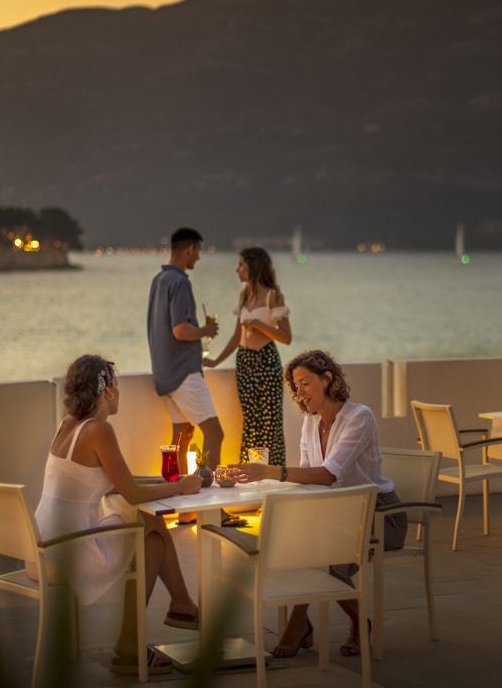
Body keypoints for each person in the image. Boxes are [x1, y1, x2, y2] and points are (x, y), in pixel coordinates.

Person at [227, 349, 407, 659]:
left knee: (317, 552)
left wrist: (273, 472)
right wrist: (272, 493)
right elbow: (309, 479)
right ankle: (309, 621)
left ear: (328, 379)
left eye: (305, 383)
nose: (299, 392)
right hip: (334, 510)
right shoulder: (311, 423)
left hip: (378, 514)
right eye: (295, 385)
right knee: (295, 539)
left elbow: (327, 475)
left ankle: (322, 622)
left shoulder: (359, 417)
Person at [31, 355, 203, 676]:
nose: (119, 391)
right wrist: (182, 488)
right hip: (73, 549)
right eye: (117, 385)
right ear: (107, 390)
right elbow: (131, 494)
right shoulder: (98, 430)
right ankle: (181, 604)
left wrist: (173, 483)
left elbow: (117, 481)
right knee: (149, 518)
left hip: (42, 545)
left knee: (153, 545)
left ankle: (134, 642)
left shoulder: (68, 426)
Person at [146, 227, 243, 526]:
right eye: (198, 251)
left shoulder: (158, 280)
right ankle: (211, 508)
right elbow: (180, 330)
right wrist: (206, 332)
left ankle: (184, 508)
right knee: (215, 434)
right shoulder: (179, 282)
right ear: (189, 249)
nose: (199, 258)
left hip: (163, 373)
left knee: (181, 438)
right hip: (184, 373)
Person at [205, 247, 292, 467]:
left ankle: (273, 474)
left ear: (253, 266)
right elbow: (237, 336)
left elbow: (286, 337)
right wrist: (216, 361)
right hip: (244, 361)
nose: (237, 270)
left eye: (241, 264)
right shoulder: (245, 295)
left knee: (270, 423)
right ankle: (250, 473)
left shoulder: (274, 296)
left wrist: (257, 324)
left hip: (266, 360)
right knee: (251, 422)